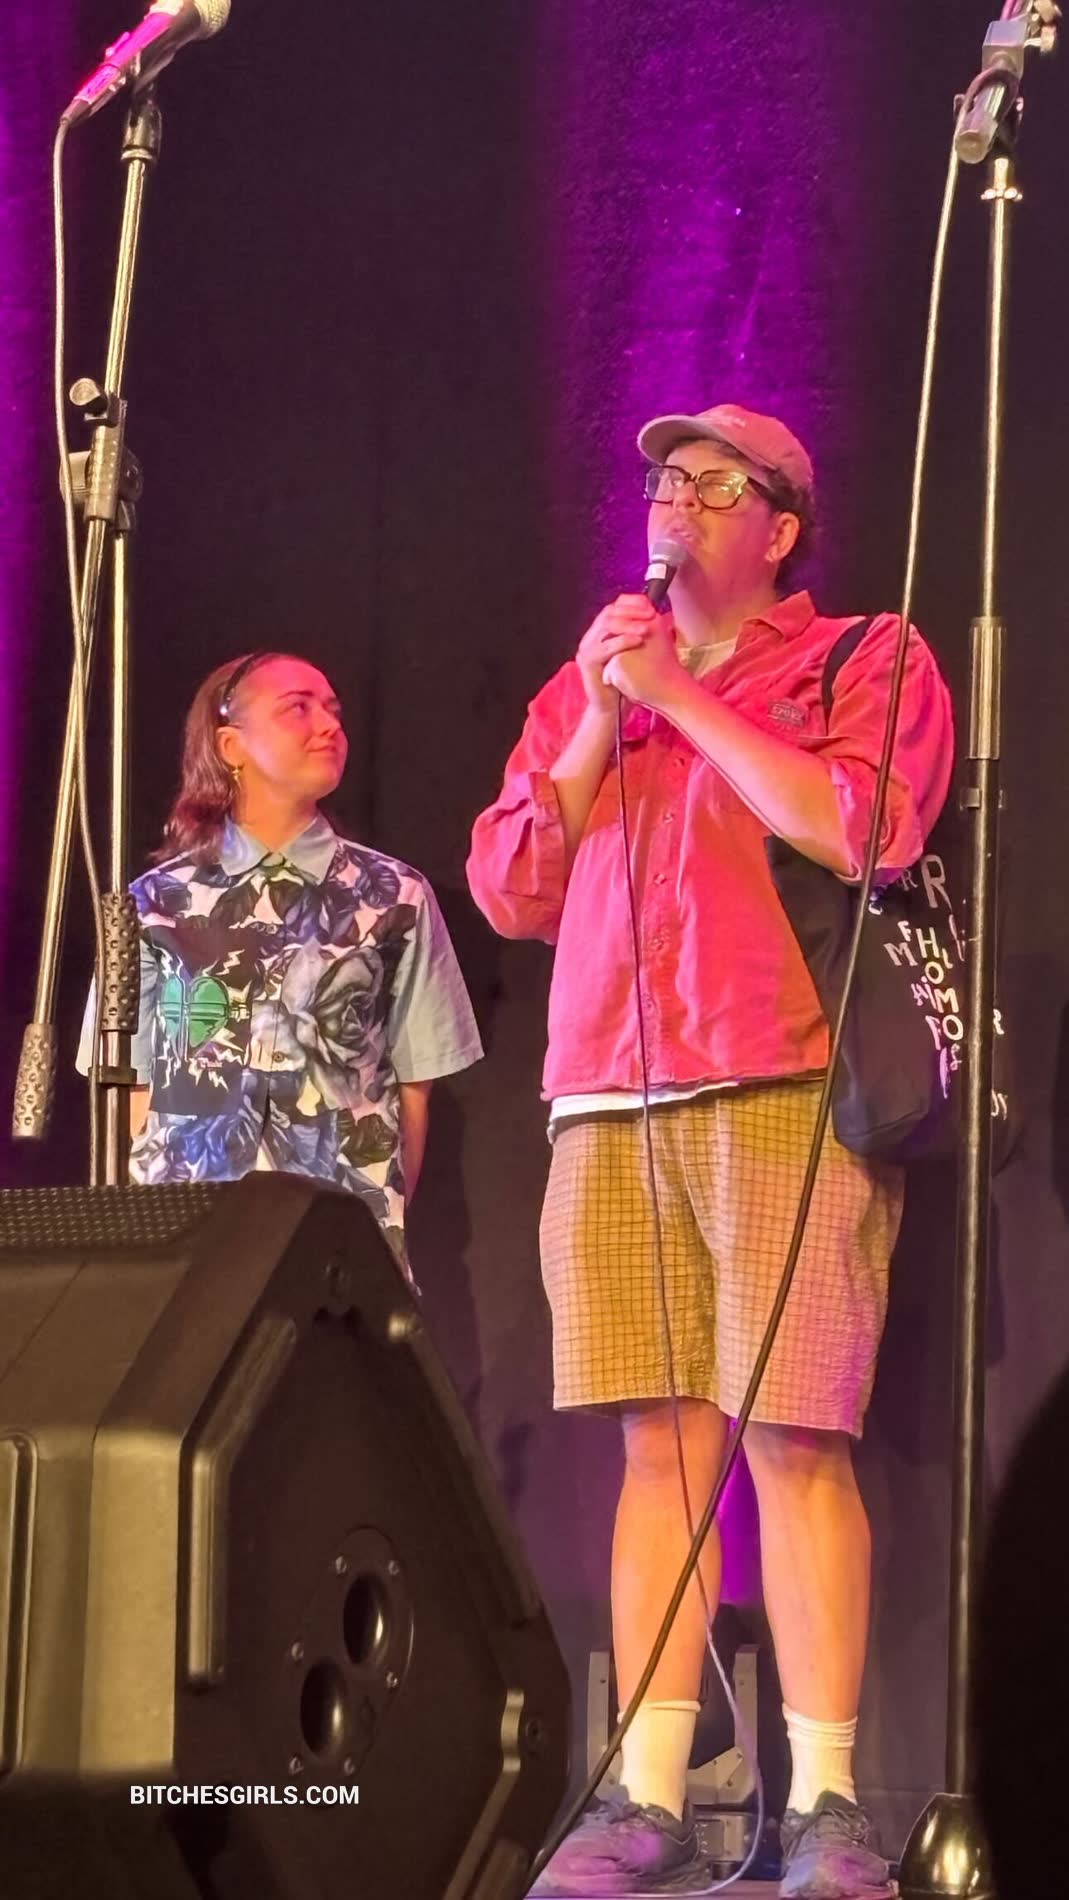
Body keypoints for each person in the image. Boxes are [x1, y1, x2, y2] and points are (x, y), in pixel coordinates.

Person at [466, 404, 954, 1898]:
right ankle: (646, 1792)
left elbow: (863, 829)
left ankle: (829, 1804)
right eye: (662, 478)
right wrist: (607, 707)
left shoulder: (860, 657)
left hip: (780, 1081)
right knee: (659, 1448)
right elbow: (512, 889)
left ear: (780, 526)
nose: (672, 497)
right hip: (607, 1096)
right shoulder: (590, 683)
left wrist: (684, 695)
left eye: (711, 482)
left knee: (794, 1437)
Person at [78, 649, 482, 1269]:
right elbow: (131, 1087)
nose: (329, 725)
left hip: (338, 1239)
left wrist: (376, 1216)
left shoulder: (394, 895)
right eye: (298, 708)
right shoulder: (153, 903)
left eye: (333, 710)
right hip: (186, 1239)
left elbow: (413, 1088)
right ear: (231, 745)